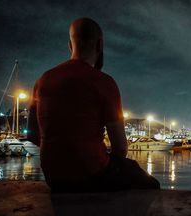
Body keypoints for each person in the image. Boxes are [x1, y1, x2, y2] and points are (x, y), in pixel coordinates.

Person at [28, 17, 160, 192]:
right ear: (99, 45)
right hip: (92, 175)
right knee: (150, 184)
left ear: (70, 45)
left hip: (54, 178)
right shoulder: (104, 82)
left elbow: (32, 134)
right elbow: (120, 148)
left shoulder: (43, 80)